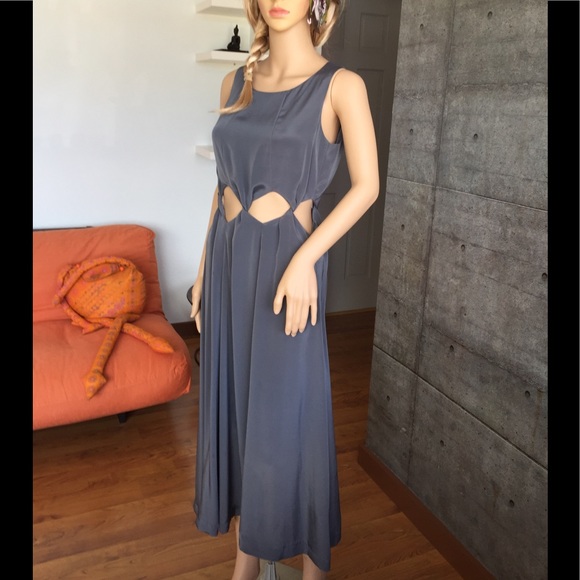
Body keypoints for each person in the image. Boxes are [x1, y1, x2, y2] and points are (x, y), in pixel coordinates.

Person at [190, 0, 379, 578]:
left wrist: (306, 259)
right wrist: (202, 269)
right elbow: (221, 185)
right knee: (238, 414)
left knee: (285, 418)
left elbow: (367, 186)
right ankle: (246, 561)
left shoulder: (340, 85)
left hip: (286, 270)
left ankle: (312, 563)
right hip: (228, 264)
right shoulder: (235, 81)